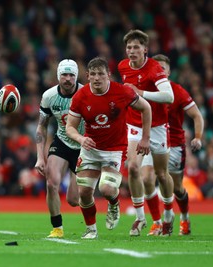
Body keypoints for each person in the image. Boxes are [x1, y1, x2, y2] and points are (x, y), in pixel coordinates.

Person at [66, 57, 151, 239]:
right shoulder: (80, 97)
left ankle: (114, 202)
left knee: (106, 189)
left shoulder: (122, 92)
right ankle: (91, 229)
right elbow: (70, 127)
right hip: (90, 149)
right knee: (84, 191)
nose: (97, 78)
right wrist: (81, 139)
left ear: (108, 75)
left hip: (114, 149)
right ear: (87, 76)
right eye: (93, 74)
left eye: (101, 74)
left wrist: (145, 138)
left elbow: (146, 108)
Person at [118, 29, 175, 236]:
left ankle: (168, 214)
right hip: (134, 125)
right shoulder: (122, 66)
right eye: (129, 47)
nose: (132, 51)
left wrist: (141, 93)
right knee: (133, 168)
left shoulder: (154, 69)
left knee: (161, 174)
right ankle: (140, 217)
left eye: (136, 47)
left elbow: (168, 97)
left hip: (158, 127)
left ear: (145, 49)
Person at [141, 54, 204, 236]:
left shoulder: (176, 91)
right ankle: (158, 222)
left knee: (176, 187)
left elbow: (197, 115)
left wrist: (198, 137)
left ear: (168, 72)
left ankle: (184, 217)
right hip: (150, 139)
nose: (159, 71)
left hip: (174, 144)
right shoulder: (145, 90)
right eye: (156, 68)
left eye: (162, 68)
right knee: (146, 179)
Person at [34, 59, 83, 238]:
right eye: (64, 74)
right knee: (51, 183)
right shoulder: (49, 96)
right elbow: (42, 126)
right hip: (62, 142)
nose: (68, 79)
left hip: (84, 146)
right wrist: (40, 157)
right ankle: (57, 228)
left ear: (77, 76)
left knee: (73, 200)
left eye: (72, 75)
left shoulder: (86, 93)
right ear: (58, 76)